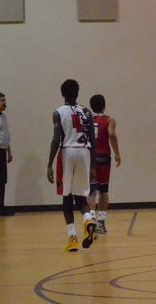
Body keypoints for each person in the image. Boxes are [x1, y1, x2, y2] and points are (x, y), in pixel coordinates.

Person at [46, 79, 97, 252]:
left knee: (66, 197)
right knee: (81, 197)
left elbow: (56, 139)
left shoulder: (58, 113)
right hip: (84, 152)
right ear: (77, 92)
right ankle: (88, 219)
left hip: (67, 152)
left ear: (62, 93)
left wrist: (49, 163)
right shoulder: (87, 112)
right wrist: (93, 165)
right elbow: (92, 140)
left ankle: (72, 237)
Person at [87, 94, 121, 234]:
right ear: (104, 105)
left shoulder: (87, 119)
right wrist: (117, 153)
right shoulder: (109, 120)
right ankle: (101, 223)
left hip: (90, 158)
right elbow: (111, 134)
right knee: (104, 191)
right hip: (103, 158)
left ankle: (91, 221)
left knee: (91, 191)